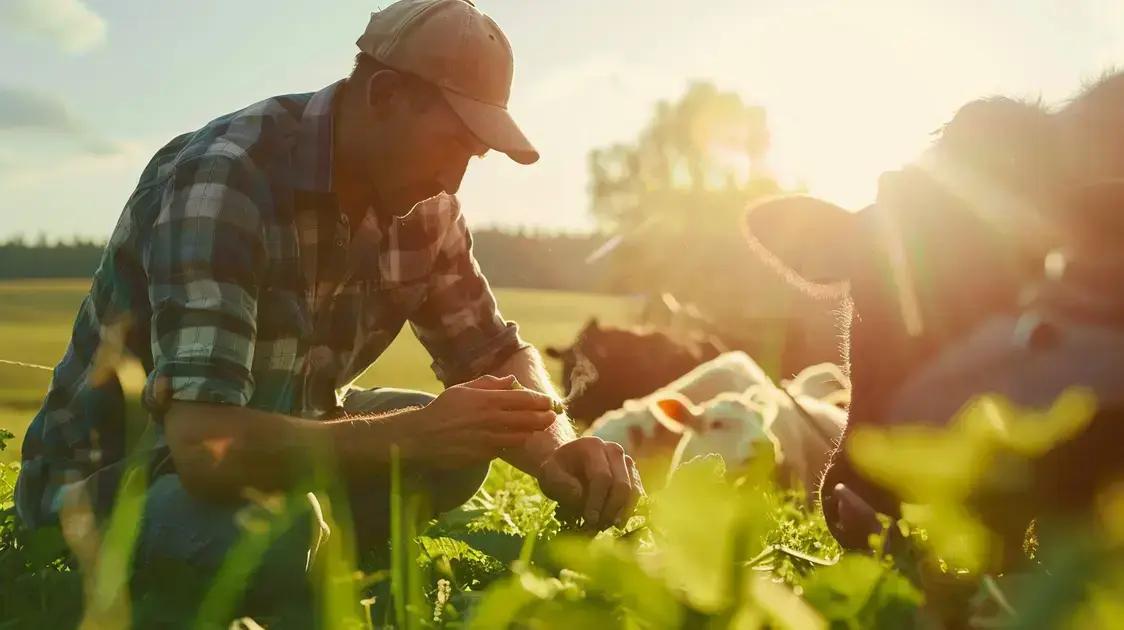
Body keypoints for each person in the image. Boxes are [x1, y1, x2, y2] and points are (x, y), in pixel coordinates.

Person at [15, 0, 643, 590]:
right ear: (384, 95)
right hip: (122, 482)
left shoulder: (426, 204)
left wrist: (560, 450)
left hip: (280, 442)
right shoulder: (228, 177)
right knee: (287, 532)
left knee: (469, 437)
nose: (454, 177)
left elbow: (488, 350)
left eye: (472, 155)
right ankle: (289, 562)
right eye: (452, 143)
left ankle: (307, 562)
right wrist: (415, 434)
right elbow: (204, 447)